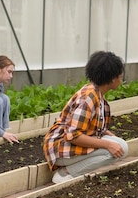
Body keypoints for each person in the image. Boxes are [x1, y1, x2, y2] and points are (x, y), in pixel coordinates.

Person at [43, 51, 129, 184]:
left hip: (68, 144)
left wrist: (105, 133)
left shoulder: (97, 94)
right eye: (120, 75)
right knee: (118, 148)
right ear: (112, 78)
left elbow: (88, 124)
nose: (121, 79)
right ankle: (65, 173)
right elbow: (73, 135)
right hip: (60, 148)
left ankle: (72, 169)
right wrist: (107, 144)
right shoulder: (88, 98)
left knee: (119, 145)